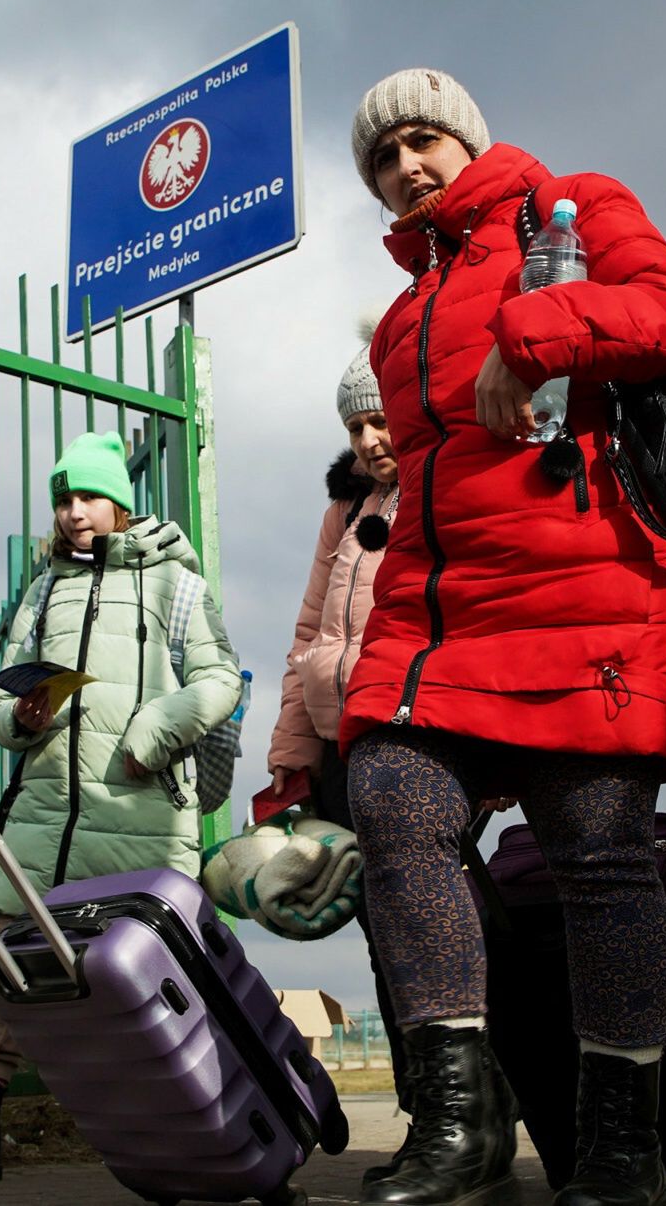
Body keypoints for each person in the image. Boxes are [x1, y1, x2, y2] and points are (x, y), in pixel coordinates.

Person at [340, 68, 666, 1206]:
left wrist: (537, 329)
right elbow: (423, 493)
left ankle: (619, 1145)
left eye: (423, 140)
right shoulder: (403, 313)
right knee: (393, 804)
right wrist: (377, 660)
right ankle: (459, 1122)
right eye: (383, 157)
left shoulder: (576, 206)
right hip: (443, 619)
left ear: (466, 140)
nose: (408, 166)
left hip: (594, 595)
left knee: (598, 859)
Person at [0, 430, 243, 1183]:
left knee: (153, 983)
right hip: (43, 823)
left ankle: (218, 1131)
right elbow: (8, 701)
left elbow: (219, 680)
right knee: (16, 973)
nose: (75, 513)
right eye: (63, 499)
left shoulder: (176, 585)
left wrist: (152, 732)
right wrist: (24, 718)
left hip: (138, 815)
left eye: (88, 496)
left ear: (120, 502)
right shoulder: (44, 591)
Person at [260, 334, 423, 1185]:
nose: (367, 442)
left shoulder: (437, 489)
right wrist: (292, 758)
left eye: (379, 420)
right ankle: (426, 1112)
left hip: (416, 734)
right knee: (381, 940)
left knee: (427, 930)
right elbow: (306, 637)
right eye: (355, 427)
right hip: (340, 749)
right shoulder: (344, 514)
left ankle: (460, 1107)